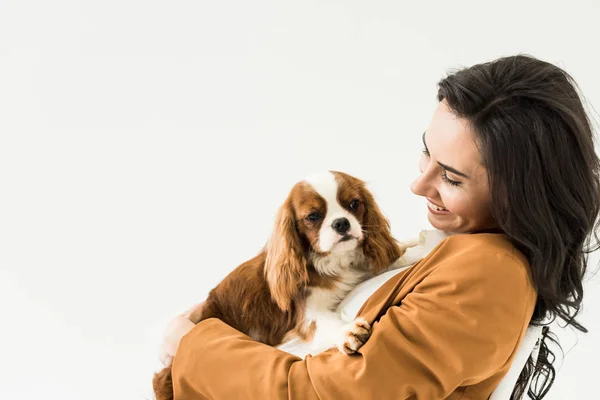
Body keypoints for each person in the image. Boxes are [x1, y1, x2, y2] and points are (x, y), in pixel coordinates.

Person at [158, 54, 600, 399]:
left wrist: (192, 346)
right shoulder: (456, 252)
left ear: (522, 194)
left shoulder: (489, 273)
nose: (417, 184)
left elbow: (331, 393)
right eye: (426, 153)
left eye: (451, 177)